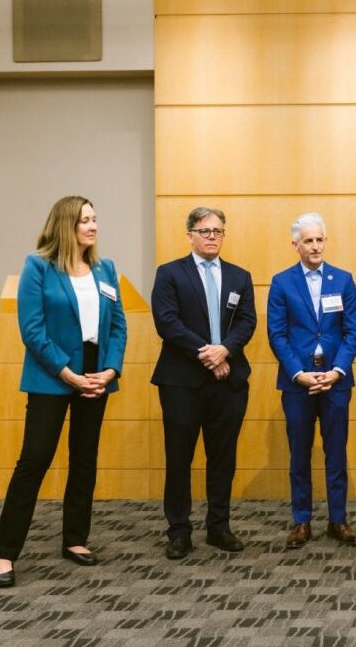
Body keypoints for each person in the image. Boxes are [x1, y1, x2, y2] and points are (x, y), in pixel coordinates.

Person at [0, 196, 127, 588]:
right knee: (34, 460)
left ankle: (75, 540)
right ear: (66, 224)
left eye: (95, 219)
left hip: (95, 374)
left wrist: (110, 370)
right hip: (53, 374)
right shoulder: (38, 266)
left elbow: (118, 326)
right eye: (85, 220)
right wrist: (68, 373)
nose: (93, 226)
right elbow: (32, 331)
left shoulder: (105, 268)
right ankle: (4, 553)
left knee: (84, 459)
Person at [151, 207, 257, 560]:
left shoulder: (240, 277)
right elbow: (167, 323)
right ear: (190, 235)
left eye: (218, 231)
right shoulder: (169, 274)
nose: (212, 236)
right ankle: (179, 530)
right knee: (179, 458)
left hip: (228, 382)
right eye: (205, 230)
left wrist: (225, 350)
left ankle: (219, 526)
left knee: (223, 458)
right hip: (182, 382)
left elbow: (247, 322)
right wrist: (209, 354)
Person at [267, 213, 356, 549]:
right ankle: (302, 521)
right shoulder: (281, 283)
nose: (315, 246)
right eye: (308, 241)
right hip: (297, 383)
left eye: (320, 239)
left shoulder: (344, 280)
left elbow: (353, 332)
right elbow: (277, 335)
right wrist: (300, 374)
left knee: (336, 454)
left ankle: (338, 520)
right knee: (299, 454)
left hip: (337, 382)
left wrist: (337, 371)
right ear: (295, 245)